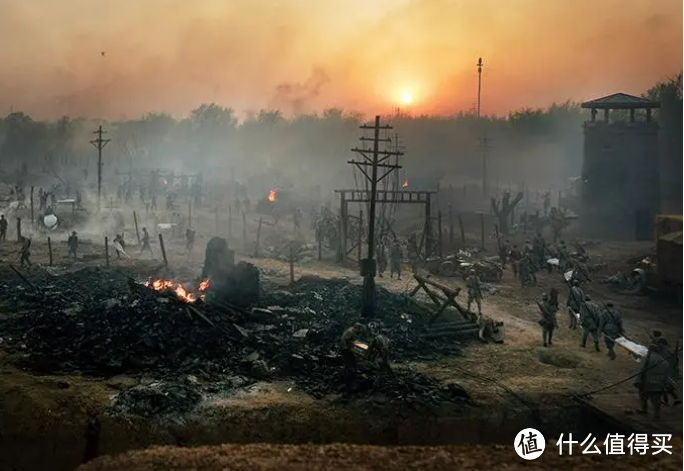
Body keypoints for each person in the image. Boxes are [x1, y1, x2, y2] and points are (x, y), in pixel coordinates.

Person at [635, 344, 670, 420]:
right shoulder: (664, 361)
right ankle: (657, 413)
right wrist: (664, 383)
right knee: (656, 398)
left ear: (650, 350)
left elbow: (642, 369)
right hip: (659, 382)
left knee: (643, 395)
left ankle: (644, 409)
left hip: (648, 380)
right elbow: (666, 374)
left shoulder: (647, 358)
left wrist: (639, 380)